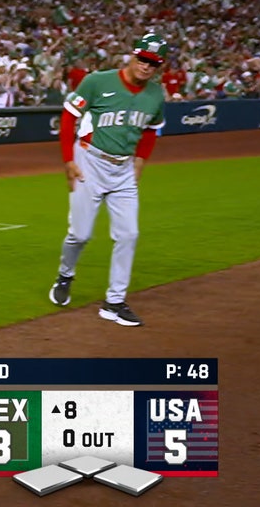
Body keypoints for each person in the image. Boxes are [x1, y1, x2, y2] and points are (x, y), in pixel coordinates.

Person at [48, 33, 168, 328]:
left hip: (124, 169)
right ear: (133, 55)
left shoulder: (155, 94)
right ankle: (65, 275)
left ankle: (114, 302)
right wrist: (68, 160)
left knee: (129, 234)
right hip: (89, 161)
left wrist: (140, 161)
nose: (146, 66)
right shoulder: (98, 81)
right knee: (80, 234)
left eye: (153, 63)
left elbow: (152, 129)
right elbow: (68, 115)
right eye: (143, 59)